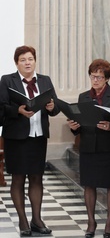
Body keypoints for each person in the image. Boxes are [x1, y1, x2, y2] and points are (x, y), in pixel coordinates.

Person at [0, 45, 59, 236]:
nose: (27, 62)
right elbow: (1, 107)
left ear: (35, 60)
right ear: (17, 62)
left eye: (30, 59)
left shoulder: (45, 80)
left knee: (36, 177)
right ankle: (23, 221)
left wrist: (51, 106)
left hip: (38, 136)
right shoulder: (7, 80)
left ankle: (36, 219)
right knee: (18, 178)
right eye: (23, 59)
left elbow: (56, 108)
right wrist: (17, 110)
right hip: (16, 137)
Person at [67, 59, 110, 238]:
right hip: (88, 146)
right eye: (93, 76)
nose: (96, 80)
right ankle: (91, 222)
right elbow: (78, 124)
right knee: (89, 184)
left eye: (100, 77)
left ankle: (109, 222)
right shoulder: (83, 97)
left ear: (107, 78)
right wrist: (74, 125)